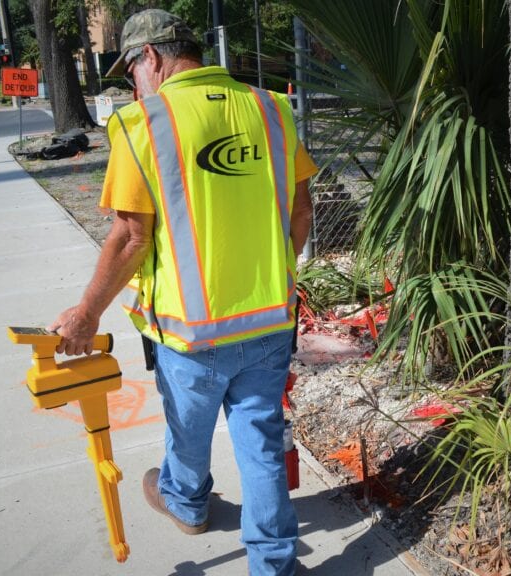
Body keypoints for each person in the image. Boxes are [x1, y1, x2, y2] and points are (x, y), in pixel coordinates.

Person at [48, 9, 316, 576]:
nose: (132, 85)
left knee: (188, 435)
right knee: (261, 442)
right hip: (268, 319)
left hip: (190, 333)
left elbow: (129, 238)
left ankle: (188, 504)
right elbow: (300, 208)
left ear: (150, 57)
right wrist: (276, 273)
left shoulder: (141, 124)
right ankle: (274, 565)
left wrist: (84, 313)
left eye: (130, 72)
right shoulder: (272, 110)